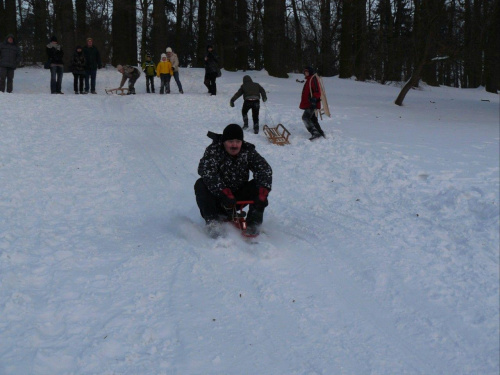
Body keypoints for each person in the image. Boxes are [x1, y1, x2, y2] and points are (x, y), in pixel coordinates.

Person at [194, 124, 272, 238]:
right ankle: (213, 223)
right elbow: (206, 171)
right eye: (230, 141)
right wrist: (223, 192)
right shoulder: (214, 150)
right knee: (200, 183)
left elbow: (264, 169)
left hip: (237, 197)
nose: (234, 145)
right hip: (218, 198)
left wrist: (263, 192)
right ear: (224, 141)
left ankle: (254, 222)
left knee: (259, 185)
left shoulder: (247, 151)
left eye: (238, 141)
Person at [300, 66, 325, 140]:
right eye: (305, 72)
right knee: (313, 118)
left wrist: (314, 100)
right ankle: (320, 132)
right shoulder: (309, 79)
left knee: (305, 117)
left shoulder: (313, 79)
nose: (306, 73)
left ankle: (315, 132)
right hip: (310, 103)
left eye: (307, 72)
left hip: (312, 103)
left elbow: (317, 91)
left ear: (310, 72)